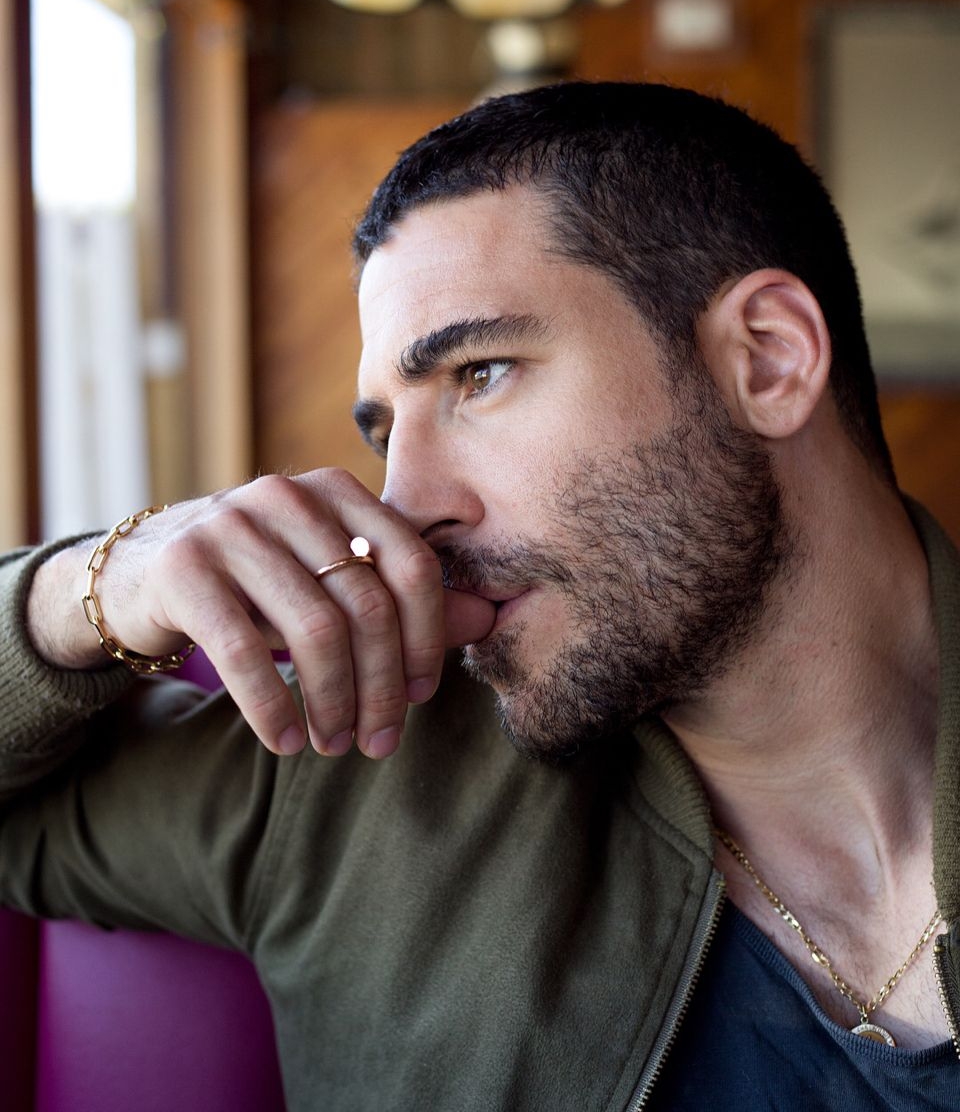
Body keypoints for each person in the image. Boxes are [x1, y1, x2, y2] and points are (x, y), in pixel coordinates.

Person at [2, 81, 958, 1109]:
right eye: (385, 433)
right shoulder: (356, 779)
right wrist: (90, 587)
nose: (406, 506)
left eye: (480, 374)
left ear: (766, 359)